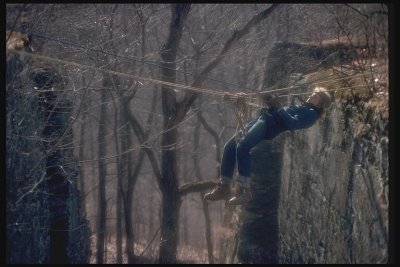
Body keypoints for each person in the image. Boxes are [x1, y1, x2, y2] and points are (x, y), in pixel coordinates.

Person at [204, 87, 332, 205]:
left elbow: (293, 123)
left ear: (319, 104)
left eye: (315, 96)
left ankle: (245, 190)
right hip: (264, 119)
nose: (310, 96)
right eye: (312, 94)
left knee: (243, 147)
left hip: (268, 125)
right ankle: (224, 187)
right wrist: (270, 102)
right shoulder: (303, 107)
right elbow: (282, 112)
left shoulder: (311, 114)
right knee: (229, 147)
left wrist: (279, 108)